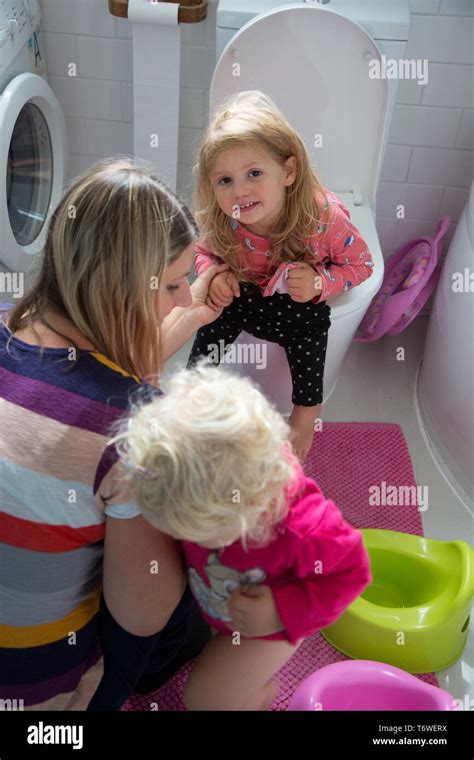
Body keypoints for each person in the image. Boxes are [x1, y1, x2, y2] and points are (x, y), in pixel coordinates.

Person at [0, 157, 229, 710]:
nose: (181, 298)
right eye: (174, 283)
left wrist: (195, 312)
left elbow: (86, 379)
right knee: (191, 591)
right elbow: (141, 609)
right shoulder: (132, 430)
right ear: (118, 289)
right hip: (34, 690)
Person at [112, 361, 372, 711]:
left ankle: (260, 699)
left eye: (194, 532)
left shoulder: (301, 527)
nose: (177, 534)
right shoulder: (214, 468)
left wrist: (281, 612)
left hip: (265, 626)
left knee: (208, 700)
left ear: (250, 506)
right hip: (221, 599)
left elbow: (353, 572)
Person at [187, 90, 374, 461]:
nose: (240, 190)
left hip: (295, 305)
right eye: (225, 180)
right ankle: (193, 391)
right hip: (246, 295)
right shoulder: (223, 219)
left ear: (288, 172)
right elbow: (203, 250)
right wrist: (214, 275)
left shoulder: (323, 219)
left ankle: (306, 409)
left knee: (310, 324)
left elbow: (362, 265)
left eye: (254, 173)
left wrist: (321, 282)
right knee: (212, 314)